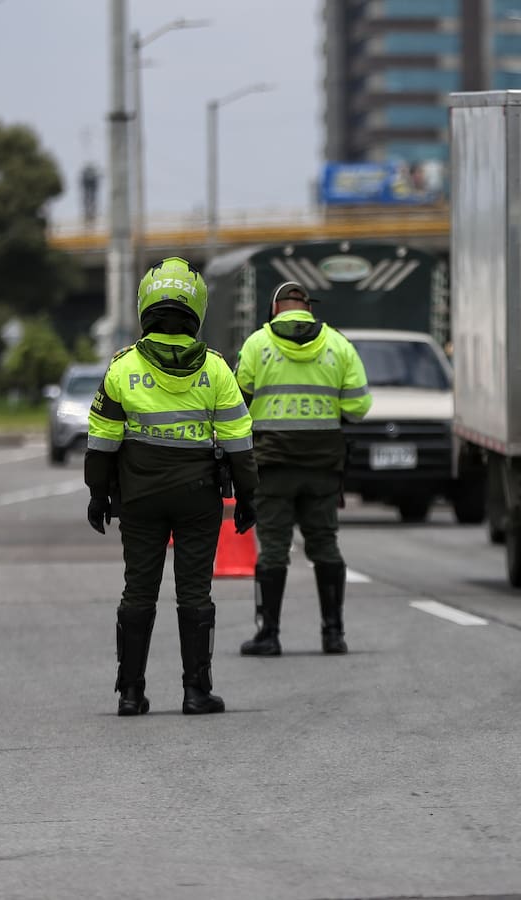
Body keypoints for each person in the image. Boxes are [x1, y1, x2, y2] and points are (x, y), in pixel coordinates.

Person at [86, 257, 258, 717]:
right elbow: (240, 443)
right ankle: (196, 692)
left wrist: (98, 494)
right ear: (196, 307)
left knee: (138, 591)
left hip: (138, 497)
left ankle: (130, 693)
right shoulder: (216, 369)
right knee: (195, 592)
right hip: (198, 497)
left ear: (146, 304)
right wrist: (247, 497)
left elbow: (101, 441)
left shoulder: (122, 367)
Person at [235, 281, 372, 657]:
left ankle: (268, 635)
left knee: (273, 549)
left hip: (273, 466)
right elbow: (359, 407)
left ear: (274, 309)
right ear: (308, 308)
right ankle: (333, 634)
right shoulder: (338, 345)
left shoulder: (257, 344)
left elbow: (237, 401)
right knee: (325, 544)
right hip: (323, 466)